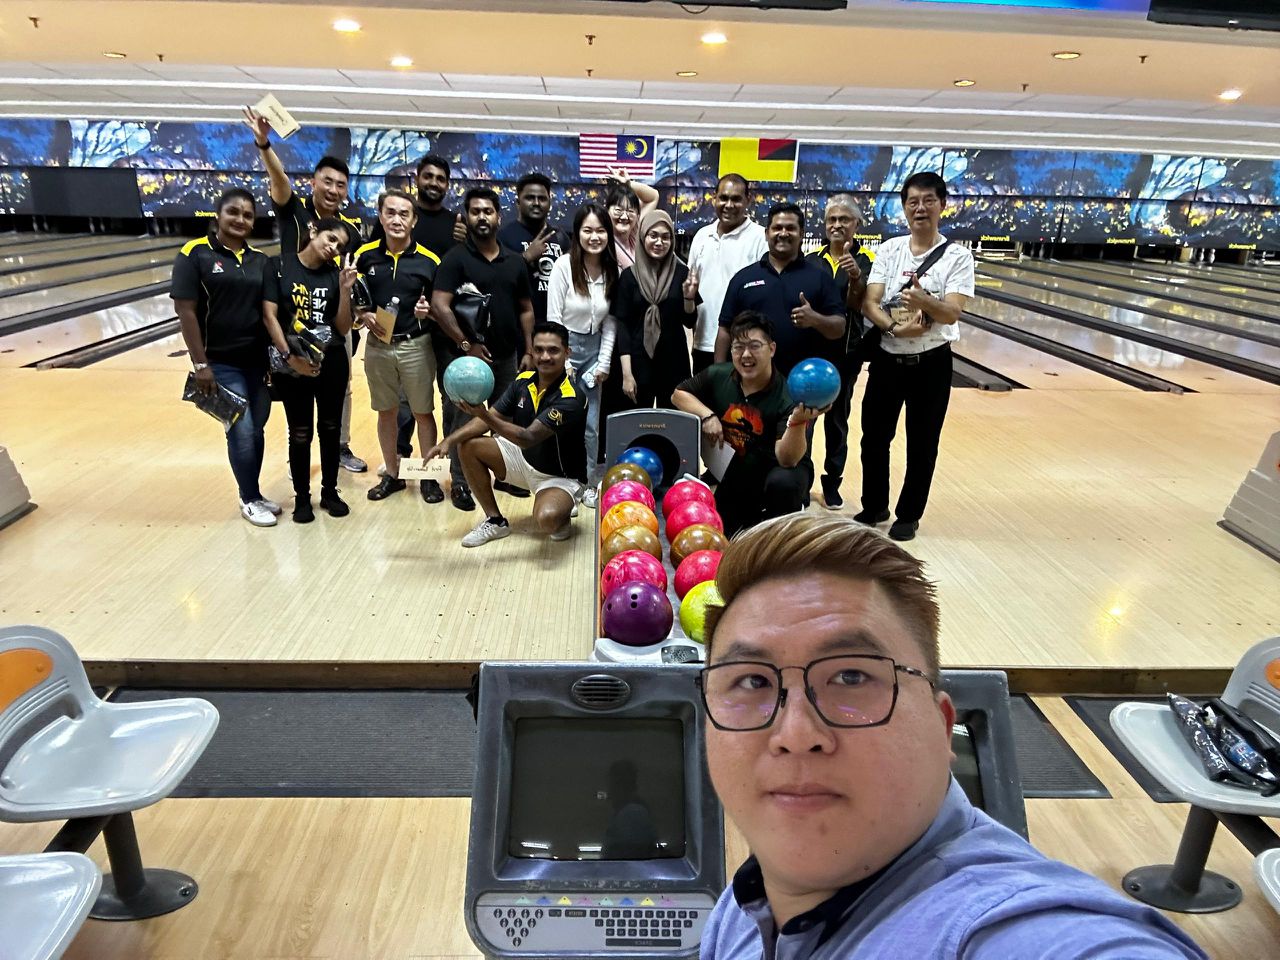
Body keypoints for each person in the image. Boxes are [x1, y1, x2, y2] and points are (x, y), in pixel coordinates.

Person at [697, 512, 1206, 959]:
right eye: (752, 682)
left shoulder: (1010, 928)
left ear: (942, 727)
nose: (795, 733)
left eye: (851, 676)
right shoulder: (746, 904)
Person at [244, 106, 367, 475]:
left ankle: (340, 446)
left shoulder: (348, 230)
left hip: (332, 317)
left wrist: (360, 312)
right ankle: (298, 449)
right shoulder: (294, 212)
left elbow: (354, 275)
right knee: (294, 384)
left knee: (342, 387)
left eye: (340, 185)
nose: (333, 189)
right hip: (290, 316)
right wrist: (264, 143)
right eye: (327, 181)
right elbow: (279, 179)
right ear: (313, 182)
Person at [859, 171, 975, 542]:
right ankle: (874, 505)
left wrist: (924, 301)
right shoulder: (890, 249)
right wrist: (894, 328)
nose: (920, 208)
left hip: (932, 363)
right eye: (913, 201)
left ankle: (908, 515)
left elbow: (952, 313)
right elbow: (870, 302)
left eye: (928, 201)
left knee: (922, 444)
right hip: (887, 359)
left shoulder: (958, 257)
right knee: (874, 438)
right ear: (905, 207)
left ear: (942, 205)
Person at [426, 322, 587, 548]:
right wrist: (448, 441)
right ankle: (495, 521)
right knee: (469, 445)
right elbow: (488, 419)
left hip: (557, 476)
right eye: (539, 350)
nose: (545, 356)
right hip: (522, 459)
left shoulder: (572, 397)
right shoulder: (523, 381)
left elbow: (527, 437)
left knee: (548, 520)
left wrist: (483, 414)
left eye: (553, 350)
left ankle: (563, 510)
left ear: (567, 352)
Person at [172, 187, 276, 527]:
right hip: (220, 363)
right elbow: (186, 311)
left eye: (247, 215)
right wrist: (201, 364)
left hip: (257, 362)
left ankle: (254, 493)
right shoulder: (195, 254)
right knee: (241, 431)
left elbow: (269, 313)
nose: (240, 219)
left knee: (256, 429)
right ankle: (249, 498)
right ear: (218, 215)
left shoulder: (260, 260)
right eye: (233, 212)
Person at [431, 187, 537, 512]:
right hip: (464, 361)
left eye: (487, 211)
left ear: (498, 217)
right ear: (467, 216)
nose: (482, 217)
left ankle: (505, 474)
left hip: (506, 356)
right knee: (463, 419)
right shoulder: (455, 259)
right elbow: (439, 305)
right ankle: (461, 482)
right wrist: (467, 344)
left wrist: (528, 350)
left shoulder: (514, 261)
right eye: (475, 211)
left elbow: (526, 309)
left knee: (504, 417)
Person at [672, 313, 818, 537]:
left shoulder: (788, 395)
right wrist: (707, 416)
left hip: (778, 473)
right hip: (739, 472)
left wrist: (798, 421)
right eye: (738, 347)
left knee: (783, 483)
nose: (746, 354)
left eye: (754, 346)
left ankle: (785, 525)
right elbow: (678, 394)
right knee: (724, 535)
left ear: (772, 349)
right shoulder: (719, 375)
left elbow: (787, 458)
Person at [262, 221, 358, 523]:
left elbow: (342, 327)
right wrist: (289, 357)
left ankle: (329, 492)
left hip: (331, 361)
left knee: (330, 429)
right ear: (314, 231)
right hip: (292, 362)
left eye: (340, 246)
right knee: (300, 432)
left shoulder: (335, 275)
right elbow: (269, 315)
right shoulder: (279, 266)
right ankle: (302, 498)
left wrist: (345, 290)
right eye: (331, 238)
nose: (334, 247)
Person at [354, 189, 444, 504]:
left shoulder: (430, 261)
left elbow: (440, 307)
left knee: (423, 412)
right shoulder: (364, 256)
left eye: (404, 214)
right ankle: (393, 475)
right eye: (390, 212)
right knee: (386, 412)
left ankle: (429, 477)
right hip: (378, 346)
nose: (396, 220)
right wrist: (362, 314)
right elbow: (354, 298)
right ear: (380, 216)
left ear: (414, 220)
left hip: (416, 346)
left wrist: (427, 312)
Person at [714, 203, 845, 378]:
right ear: (766, 233)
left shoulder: (820, 278)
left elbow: (839, 328)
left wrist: (815, 319)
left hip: (804, 383)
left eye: (790, 228)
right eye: (777, 228)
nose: (783, 233)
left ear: (801, 234)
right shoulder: (743, 278)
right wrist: (719, 376)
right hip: (752, 380)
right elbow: (724, 330)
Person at [546, 203, 619, 500]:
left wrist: (604, 362)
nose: (594, 237)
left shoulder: (612, 270)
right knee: (562, 422)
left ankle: (588, 484)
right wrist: (561, 360)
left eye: (600, 230)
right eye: (587, 230)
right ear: (577, 233)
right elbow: (554, 318)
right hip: (564, 349)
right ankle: (561, 484)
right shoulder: (564, 266)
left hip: (594, 351)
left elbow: (610, 322)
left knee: (591, 427)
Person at [807, 195, 872, 512]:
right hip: (810, 354)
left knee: (836, 421)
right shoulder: (811, 260)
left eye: (844, 219)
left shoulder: (867, 260)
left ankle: (831, 483)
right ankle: (802, 480)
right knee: (804, 420)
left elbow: (861, 306)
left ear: (856, 224)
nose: (837, 225)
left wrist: (856, 277)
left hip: (846, 355)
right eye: (832, 219)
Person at [611, 208, 700, 410]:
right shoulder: (629, 277)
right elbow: (623, 327)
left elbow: (689, 321)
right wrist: (627, 374)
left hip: (674, 362)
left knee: (673, 423)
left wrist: (689, 298)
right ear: (643, 237)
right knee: (637, 422)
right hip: (638, 362)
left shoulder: (681, 273)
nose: (659, 242)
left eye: (665, 237)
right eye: (653, 235)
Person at [686, 174, 767, 373]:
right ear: (714, 198)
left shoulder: (760, 238)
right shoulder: (702, 236)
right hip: (703, 342)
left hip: (744, 346)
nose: (729, 205)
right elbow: (692, 289)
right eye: (723, 198)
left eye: (736, 199)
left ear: (748, 200)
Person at [498, 172, 566, 323]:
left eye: (542, 198)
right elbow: (496, 279)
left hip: (555, 323)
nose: (536, 203)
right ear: (518, 202)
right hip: (517, 323)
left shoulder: (561, 237)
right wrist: (525, 257)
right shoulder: (503, 237)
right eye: (530, 198)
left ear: (549, 203)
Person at [603, 167, 659, 270]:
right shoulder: (602, 240)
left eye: (630, 211)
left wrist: (628, 184)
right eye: (618, 210)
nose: (624, 216)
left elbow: (653, 197)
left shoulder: (633, 234)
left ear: (637, 215)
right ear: (607, 211)